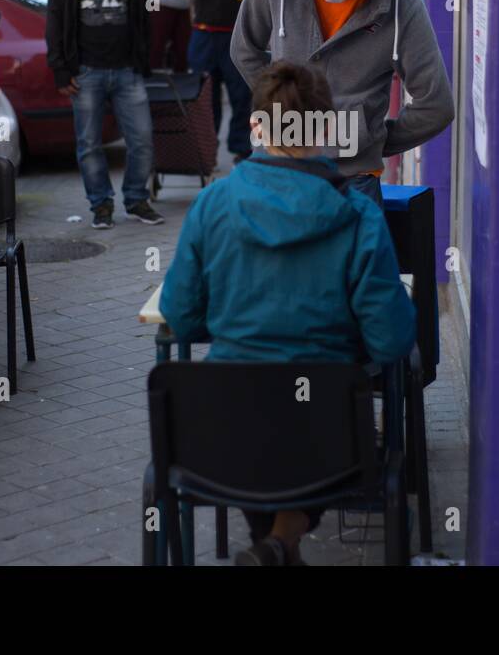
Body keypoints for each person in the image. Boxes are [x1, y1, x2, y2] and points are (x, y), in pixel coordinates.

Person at [160, 61, 416, 566]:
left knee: (264, 422)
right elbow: (391, 341)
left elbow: (181, 319)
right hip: (330, 445)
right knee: (304, 425)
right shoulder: (359, 215)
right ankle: (282, 541)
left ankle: (278, 545)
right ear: (324, 128)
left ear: (256, 126)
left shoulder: (213, 205)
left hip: (220, 440)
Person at [231, 0, 454, 205]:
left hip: (353, 182)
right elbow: (243, 49)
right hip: (278, 166)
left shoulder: (400, 3)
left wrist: (369, 137)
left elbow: (436, 104)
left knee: (356, 256)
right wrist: (279, 102)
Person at [47, 0, 164, 229]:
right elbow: (54, 22)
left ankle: (137, 199)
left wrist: (146, 57)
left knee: (142, 139)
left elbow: (145, 15)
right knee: (89, 144)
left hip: (128, 70)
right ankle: (101, 205)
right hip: (86, 72)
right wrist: (60, 68)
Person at [187, 0, 267, 162]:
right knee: (204, 97)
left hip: (240, 36)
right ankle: (205, 150)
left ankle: (241, 151)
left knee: (242, 95)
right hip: (205, 34)